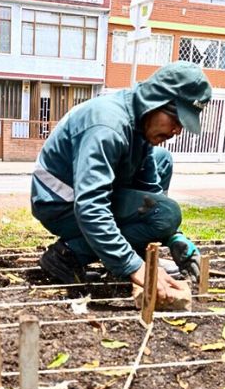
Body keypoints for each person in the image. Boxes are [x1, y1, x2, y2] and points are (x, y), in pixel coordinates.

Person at [31, 62, 211, 305]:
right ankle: (68, 255)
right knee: (166, 214)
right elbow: (90, 206)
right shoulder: (108, 126)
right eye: (177, 120)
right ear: (156, 101)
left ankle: (124, 252)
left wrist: (174, 237)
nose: (178, 131)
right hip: (60, 203)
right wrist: (134, 267)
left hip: (81, 199)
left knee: (162, 163)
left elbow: (149, 194)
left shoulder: (139, 127)